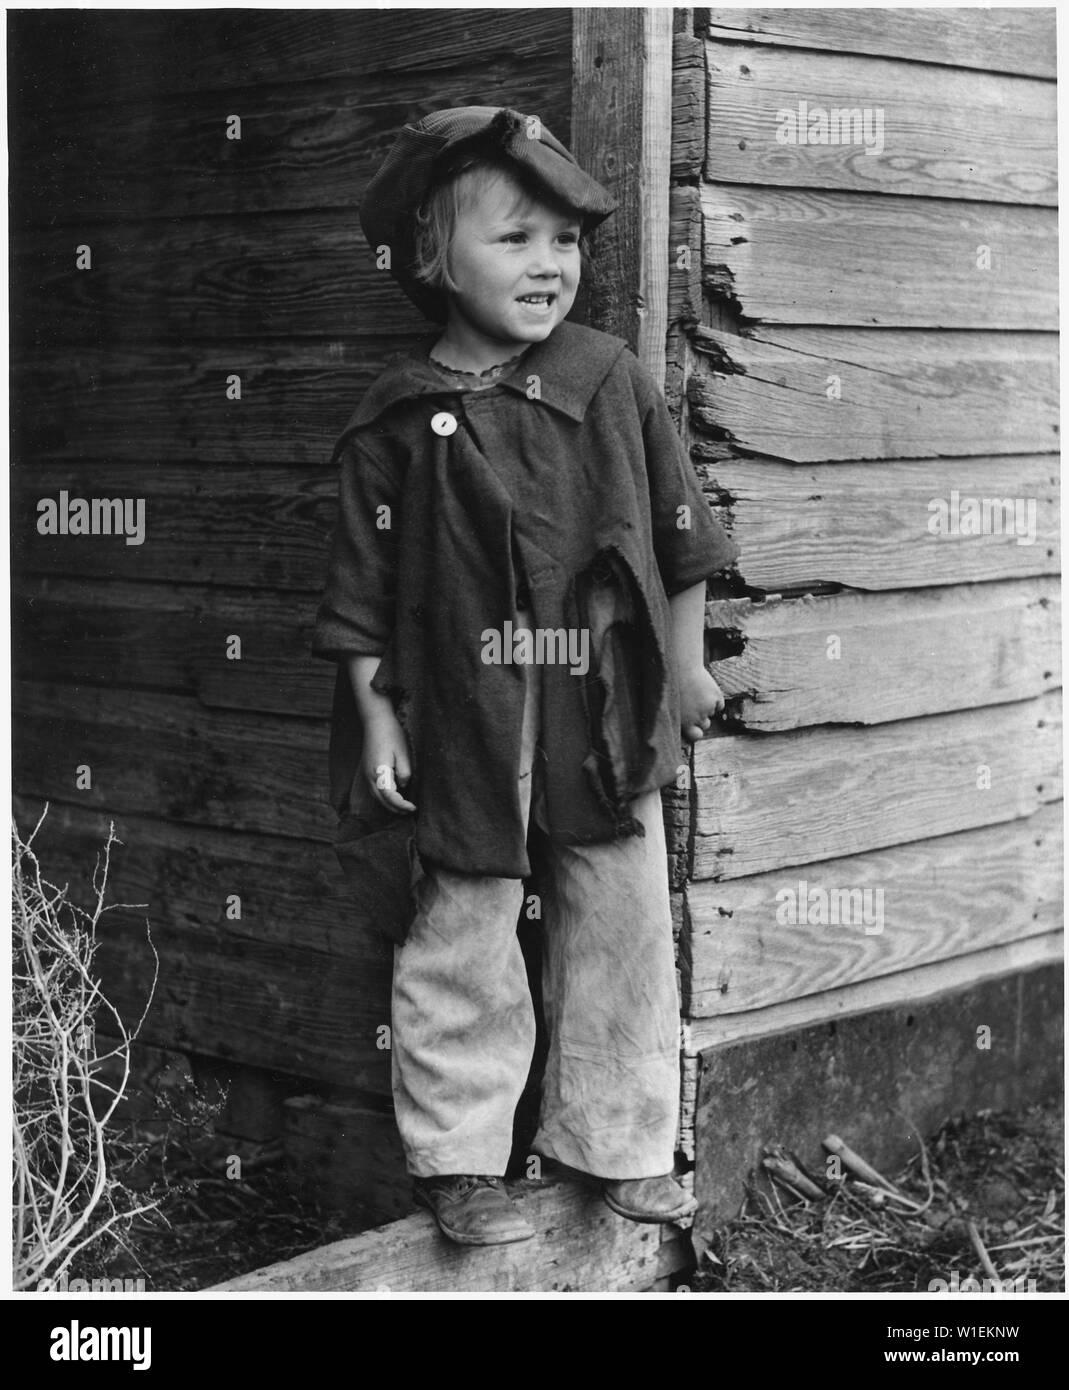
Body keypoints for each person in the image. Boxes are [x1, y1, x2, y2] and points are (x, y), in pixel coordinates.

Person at [313, 107, 738, 1246]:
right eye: (515, 238)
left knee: (621, 925)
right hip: (465, 724)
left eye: (565, 240)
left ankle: (621, 1142)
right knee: (461, 931)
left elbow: (680, 531)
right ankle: (458, 1159)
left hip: (600, 711)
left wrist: (686, 669)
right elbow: (356, 594)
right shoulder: (397, 424)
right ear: (430, 259)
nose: (550, 264)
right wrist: (377, 718)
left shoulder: (607, 382)